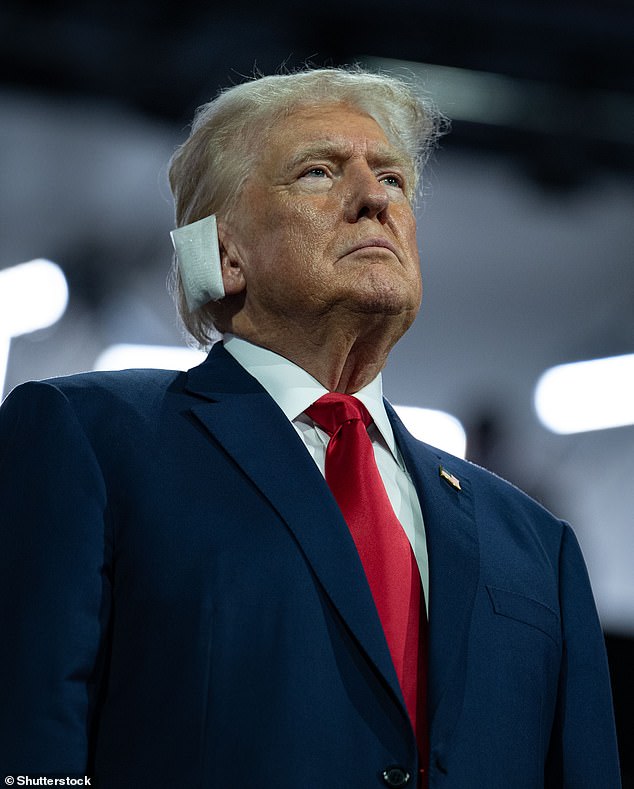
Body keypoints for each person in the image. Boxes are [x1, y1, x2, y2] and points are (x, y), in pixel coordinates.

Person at [0, 67, 621, 788]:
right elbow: (27, 747)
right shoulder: (91, 440)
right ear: (226, 254)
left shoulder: (538, 545)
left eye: (392, 178)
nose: (372, 199)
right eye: (319, 172)